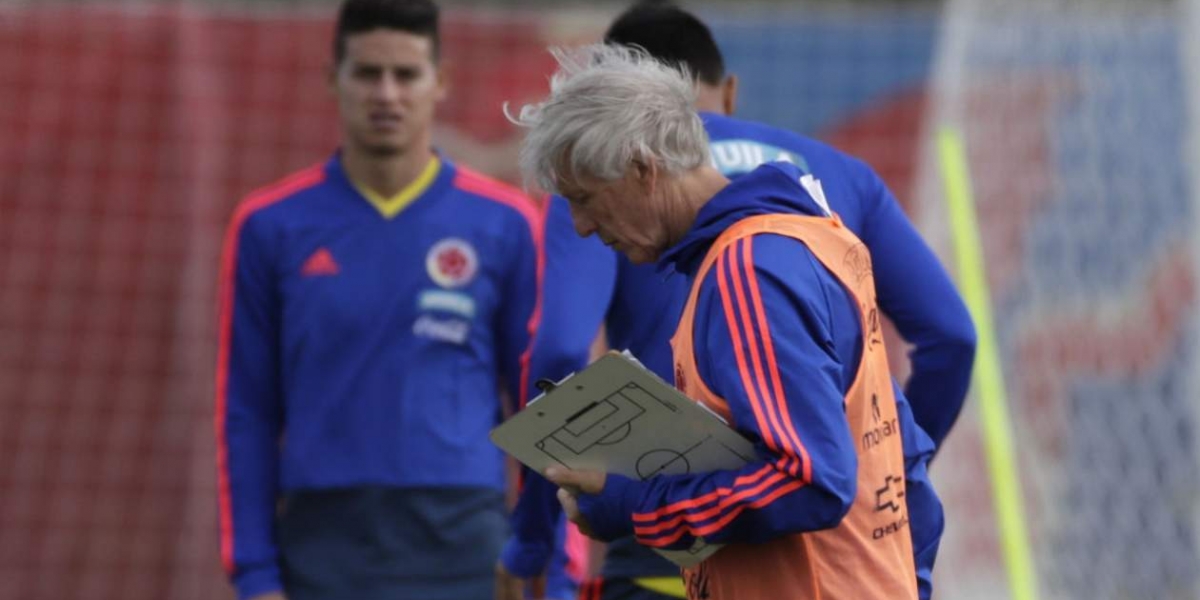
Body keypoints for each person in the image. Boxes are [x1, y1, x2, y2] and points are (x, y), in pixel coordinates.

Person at [498, 4, 973, 600]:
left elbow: (812, 481)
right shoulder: (805, 237)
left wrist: (634, 505)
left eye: (584, 198)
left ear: (644, 170)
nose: (583, 227)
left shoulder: (747, 269)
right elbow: (904, 464)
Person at [214, 1, 548, 598]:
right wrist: (254, 572)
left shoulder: (505, 223)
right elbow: (247, 411)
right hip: (322, 544)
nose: (387, 94)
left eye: (407, 74)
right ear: (331, 79)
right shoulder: (269, 225)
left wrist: (550, 555)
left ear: (440, 81)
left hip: (464, 539)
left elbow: (538, 400)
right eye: (368, 73)